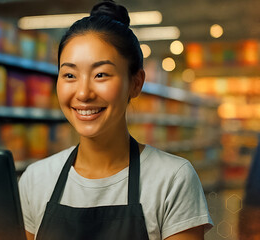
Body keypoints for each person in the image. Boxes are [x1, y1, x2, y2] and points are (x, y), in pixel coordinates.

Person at [19, 1, 213, 239]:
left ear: (135, 83)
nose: (83, 93)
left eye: (101, 74)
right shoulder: (36, 179)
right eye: (69, 75)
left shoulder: (172, 179)